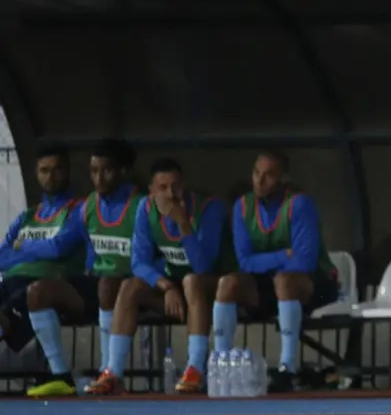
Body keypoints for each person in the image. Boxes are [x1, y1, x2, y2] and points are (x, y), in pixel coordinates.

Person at [85, 158, 236, 395]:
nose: (171, 194)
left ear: (184, 185)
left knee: (192, 281)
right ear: (152, 191)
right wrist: (165, 286)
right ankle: (113, 371)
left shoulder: (209, 209)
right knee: (130, 286)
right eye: (163, 188)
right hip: (175, 289)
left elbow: (203, 266)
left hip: (210, 286)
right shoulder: (146, 209)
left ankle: (195, 368)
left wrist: (183, 223)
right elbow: (138, 262)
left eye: (175, 186)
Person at [15, 139, 144, 387]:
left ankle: (108, 372)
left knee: (107, 283)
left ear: (123, 172)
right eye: (93, 171)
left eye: (107, 171)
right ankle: (61, 376)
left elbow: (149, 258)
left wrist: (24, 245)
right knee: (37, 292)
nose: (98, 179)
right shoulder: (88, 206)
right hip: (97, 284)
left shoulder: (141, 206)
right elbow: (83, 249)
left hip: (132, 287)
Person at [213, 150, 338, 393]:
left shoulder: (299, 204)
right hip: (270, 285)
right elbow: (244, 262)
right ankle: (220, 365)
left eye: (269, 175)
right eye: (256, 173)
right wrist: (282, 256)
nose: (260, 180)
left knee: (284, 281)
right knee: (228, 283)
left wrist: (266, 264)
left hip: (316, 285)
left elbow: (304, 261)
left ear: (283, 179)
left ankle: (287, 368)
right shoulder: (242, 207)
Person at [0, 146, 90, 397]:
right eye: (44, 170)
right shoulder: (28, 216)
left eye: (57, 170)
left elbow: (58, 248)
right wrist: (34, 250)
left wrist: (23, 246)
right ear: (36, 174)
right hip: (11, 282)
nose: (50, 176)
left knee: (6, 316)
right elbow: (3, 256)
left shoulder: (78, 210)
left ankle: (61, 377)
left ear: (67, 171)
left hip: (50, 284)